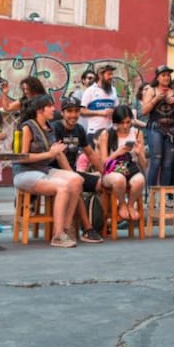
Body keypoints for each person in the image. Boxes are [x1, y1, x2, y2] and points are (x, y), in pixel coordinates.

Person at [13, 95, 83, 248]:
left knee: (77, 180)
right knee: (62, 187)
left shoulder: (49, 127)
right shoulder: (27, 127)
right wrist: (49, 154)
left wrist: (72, 173)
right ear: (40, 110)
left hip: (44, 169)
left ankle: (66, 227)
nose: (53, 109)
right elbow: (22, 157)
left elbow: (58, 153)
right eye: (50, 106)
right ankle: (57, 236)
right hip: (24, 172)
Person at [52, 96, 103, 243]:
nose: (73, 115)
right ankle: (87, 229)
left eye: (76, 111)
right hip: (56, 173)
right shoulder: (56, 128)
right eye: (69, 111)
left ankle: (101, 223)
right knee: (77, 183)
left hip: (73, 172)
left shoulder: (79, 129)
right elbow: (58, 154)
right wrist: (72, 175)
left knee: (102, 183)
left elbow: (91, 154)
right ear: (62, 112)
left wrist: (105, 173)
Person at [97, 105, 147, 222]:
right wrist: (118, 152)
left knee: (140, 180)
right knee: (119, 179)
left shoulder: (137, 133)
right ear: (115, 122)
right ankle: (122, 204)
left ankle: (130, 204)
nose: (125, 126)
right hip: (112, 171)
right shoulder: (107, 134)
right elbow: (103, 163)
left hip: (130, 168)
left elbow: (144, 166)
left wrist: (139, 154)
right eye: (121, 123)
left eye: (128, 122)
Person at [142, 65, 174, 189]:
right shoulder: (151, 90)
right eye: (163, 75)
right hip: (155, 128)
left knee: (168, 164)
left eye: (168, 75)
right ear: (157, 77)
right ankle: (151, 194)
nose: (166, 77)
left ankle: (165, 196)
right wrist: (156, 99)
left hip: (172, 130)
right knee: (156, 161)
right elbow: (144, 111)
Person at [80, 64, 119, 146]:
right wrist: (101, 113)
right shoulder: (90, 91)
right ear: (100, 75)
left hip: (110, 132)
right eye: (109, 74)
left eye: (112, 74)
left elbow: (117, 108)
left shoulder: (113, 90)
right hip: (94, 132)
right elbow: (82, 111)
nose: (111, 77)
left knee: (110, 159)